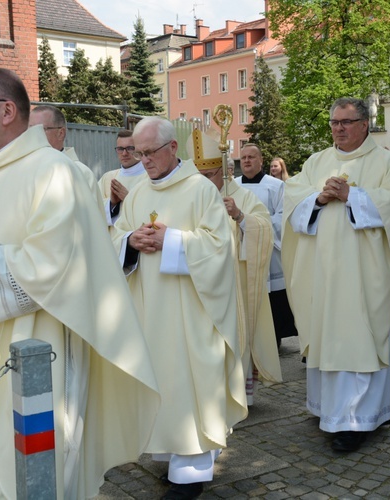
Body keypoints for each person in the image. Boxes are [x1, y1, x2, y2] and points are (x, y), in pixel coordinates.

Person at [0, 67, 160, 500]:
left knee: (28, 475)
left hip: (36, 352)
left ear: (7, 111)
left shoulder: (54, 173)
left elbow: (59, 266)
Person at [112, 117, 246, 499]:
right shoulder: (137, 193)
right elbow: (117, 235)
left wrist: (172, 241)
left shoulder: (200, 190)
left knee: (190, 383)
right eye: (138, 153)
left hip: (192, 311)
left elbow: (219, 247)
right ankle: (170, 456)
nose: (143, 160)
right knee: (162, 380)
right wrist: (130, 241)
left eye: (149, 152)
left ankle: (192, 472)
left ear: (172, 148)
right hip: (150, 310)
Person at [281, 97, 390, 452]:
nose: (338, 128)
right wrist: (318, 200)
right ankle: (328, 411)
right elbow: (292, 200)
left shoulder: (387, 162)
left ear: (365, 124)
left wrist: (353, 196)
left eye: (346, 122)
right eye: (334, 122)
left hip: (366, 273)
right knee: (328, 336)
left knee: (361, 340)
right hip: (324, 271)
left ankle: (358, 420)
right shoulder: (317, 161)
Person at [190, 128, 282, 406]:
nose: (205, 182)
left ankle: (237, 394)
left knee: (233, 334)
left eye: (209, 176)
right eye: (200, 176)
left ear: (222, 170)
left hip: (234, 284)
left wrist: (240, 217)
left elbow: (266, 228)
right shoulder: (191, 195)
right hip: (201, 284)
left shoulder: (241, 196)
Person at [235, 144, 298, 348]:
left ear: (261, 160)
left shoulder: (276, 186)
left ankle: (274, 339)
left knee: (271, 298)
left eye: (251, 157)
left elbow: (283, 217)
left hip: (268, 251)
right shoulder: (233, 186)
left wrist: (252, 224)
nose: (246, 161)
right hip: (241, 248)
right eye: (243, 157)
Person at [29, 104, 103, 214]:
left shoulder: (81, 174)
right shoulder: (22, 170)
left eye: (40, 130)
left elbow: (88, 223)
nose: (32, 136)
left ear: (61, 133)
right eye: (29, 130)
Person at [98, 129, 145, 228]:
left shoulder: (150, 178)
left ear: (139, 149)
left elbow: (155, 212)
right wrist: (112, 203)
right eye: (120, 149)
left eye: (130, 148)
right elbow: (92, 211)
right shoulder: (108, 178)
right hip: (112, 241)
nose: (124, 153)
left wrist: (128, 198)